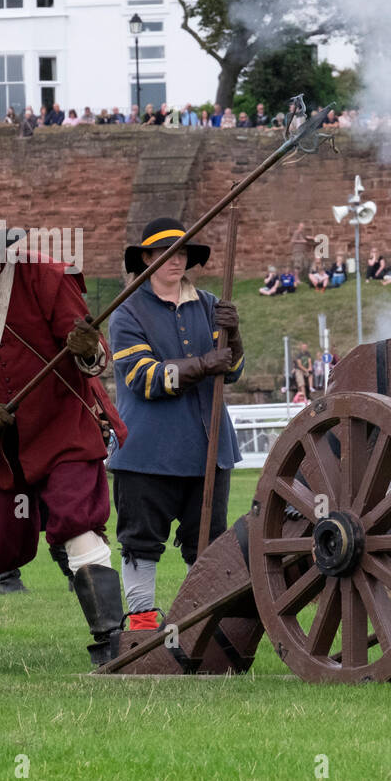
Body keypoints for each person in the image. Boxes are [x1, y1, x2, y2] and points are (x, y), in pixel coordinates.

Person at [0, 192, 129, 671]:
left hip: (62, 430)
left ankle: (113, 645)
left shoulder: (47, 278)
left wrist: (85, 346)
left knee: (78, 523)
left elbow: (93, 358)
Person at [108, 217, 245, 633]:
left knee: (206, 546)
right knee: (140, 544)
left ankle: (197, 624)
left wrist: (233, 337)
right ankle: (143, 623)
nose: (175, 260)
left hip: (208, 448)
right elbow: (143, 377)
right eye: (165, 253)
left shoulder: (208, 305)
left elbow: (233, 372)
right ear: (146, 259)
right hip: (147, 450)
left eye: (182, 252)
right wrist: (204, 364)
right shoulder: (126, 312)